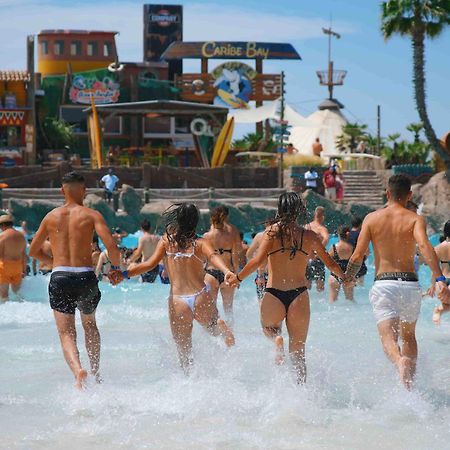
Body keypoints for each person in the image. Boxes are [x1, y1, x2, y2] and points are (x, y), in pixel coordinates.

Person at [226, 192, 346, 383]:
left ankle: (276, 340)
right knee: (298, 352)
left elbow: (257, 260)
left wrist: (238, 278)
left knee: (268, 329)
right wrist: (345, 277)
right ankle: (302, 395)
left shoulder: (272, 232)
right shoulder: (309, 235)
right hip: (299, 294)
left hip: (274, 293)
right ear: (298, 211)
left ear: (280, 209)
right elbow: (330, 264)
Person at [345, 174, 450, 390]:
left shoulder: (372, 219)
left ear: (388, 193)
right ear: (409, 195)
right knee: (409, 336)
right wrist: (439, 277)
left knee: (388, 338)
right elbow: (425, 247)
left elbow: (357, 256)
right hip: (410, 285)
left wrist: (348, 277)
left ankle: (399, 361)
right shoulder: (415, 219)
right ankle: (409, 387)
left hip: (385, 284)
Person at [109, 203, 235, 373]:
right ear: (195, 221)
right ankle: (223, 336)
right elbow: (213, 257)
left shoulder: (167, 242)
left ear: (178, 220)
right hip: (199, 296)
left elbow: (148, 264)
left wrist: (124, 275)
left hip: (178, 301)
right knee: (213, 329)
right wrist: (227, 271)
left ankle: (189, 383)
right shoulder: (200, 243)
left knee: (184, 354)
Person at [29, 171, 121, 390]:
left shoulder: (51, 217)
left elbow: (33, 250)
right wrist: (116, 269)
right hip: (86, 277)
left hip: (60, 277)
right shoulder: (91, 215)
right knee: (90, 325)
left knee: (66, 332)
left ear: (62, 190)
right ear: (84, 190)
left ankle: (79, 370)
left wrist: (53, 264)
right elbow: (112, 247)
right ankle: (96, 372)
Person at [204, 206, 241, 325]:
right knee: (229, 308)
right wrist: (237, 275)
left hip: (210, 273)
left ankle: (215, 334)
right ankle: (231, 336)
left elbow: (204, 259)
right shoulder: (232, 235)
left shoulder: (206, 236)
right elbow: (235, 257)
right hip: (228, 273)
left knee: (211, 308)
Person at [0, 214, 27, 301]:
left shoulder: (2, 236)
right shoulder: (21, 236)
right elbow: (24, 255)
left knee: (4, 295)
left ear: (2, 225)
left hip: (4, 267)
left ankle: (8, 313)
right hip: (18, 267)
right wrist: (24, 270)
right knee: (17, 294)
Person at [328, 226, 356, 303]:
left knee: (332, 301)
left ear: (339, 235)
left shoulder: (333, 247)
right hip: (348, 276)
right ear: (348, 234)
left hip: (335, 275)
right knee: (350, 300)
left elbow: (328, 262)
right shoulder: (352, 247)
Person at [306, 207, 330, 292]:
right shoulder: (321, 228)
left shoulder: (307, 226)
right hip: (318, 259)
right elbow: (326, 238)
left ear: (314, 215)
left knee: (306, 287)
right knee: (320, 289)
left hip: (306, 259)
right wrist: (318, 252)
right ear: (322, 217)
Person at [431, 220, 450, 325]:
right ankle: (439, 310)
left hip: (441, 284)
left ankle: (439, 310)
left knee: (447, 303)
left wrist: (432, 286)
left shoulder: (437, 248)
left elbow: (434, 270)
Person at [246, 230, 269, 302]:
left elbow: (248, 255)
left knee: (261, 301)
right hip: (278, 274)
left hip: (262, 274)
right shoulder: (282, 237)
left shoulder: (260, 237)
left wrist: (256, 262)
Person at [348, 216, 368, 284]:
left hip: (348, 264)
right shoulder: (361, 235)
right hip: (360, 265)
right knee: (360, 286)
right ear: (360, 224)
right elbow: (367, 251)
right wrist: (364, 258)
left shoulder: (347, 235)